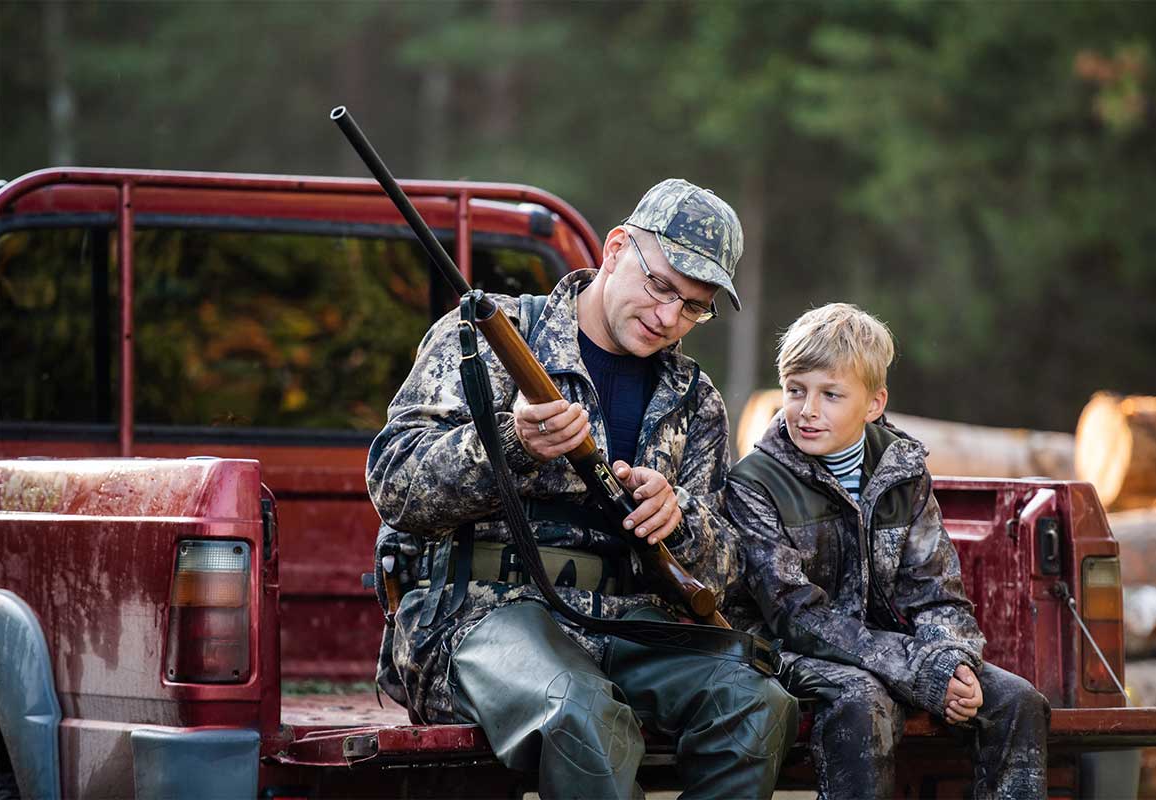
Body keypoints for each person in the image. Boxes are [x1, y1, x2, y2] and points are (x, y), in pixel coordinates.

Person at [367, 179, 795, 799]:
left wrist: (677, 521)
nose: (669, 317)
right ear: (617, 248)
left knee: (755, 705)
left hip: (630, 623)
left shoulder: (696, 400)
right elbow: (394, 484)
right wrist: (508, 447)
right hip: (480, 614)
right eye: (661, 286)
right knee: (582, 713)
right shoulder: (484, 339)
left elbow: (726, 568)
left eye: (694, 307)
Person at [723, 303, 1050, 800]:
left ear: (874, 404)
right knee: (862, 699)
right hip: (782, 650)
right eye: (795, 390)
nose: (807, 410)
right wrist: (920, 669)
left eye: (831, 395)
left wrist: (953, 661)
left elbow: (937, 591)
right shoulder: (755, 482)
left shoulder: (903, 473)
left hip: (893, 649)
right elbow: (795, 615)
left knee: (1017, 701)